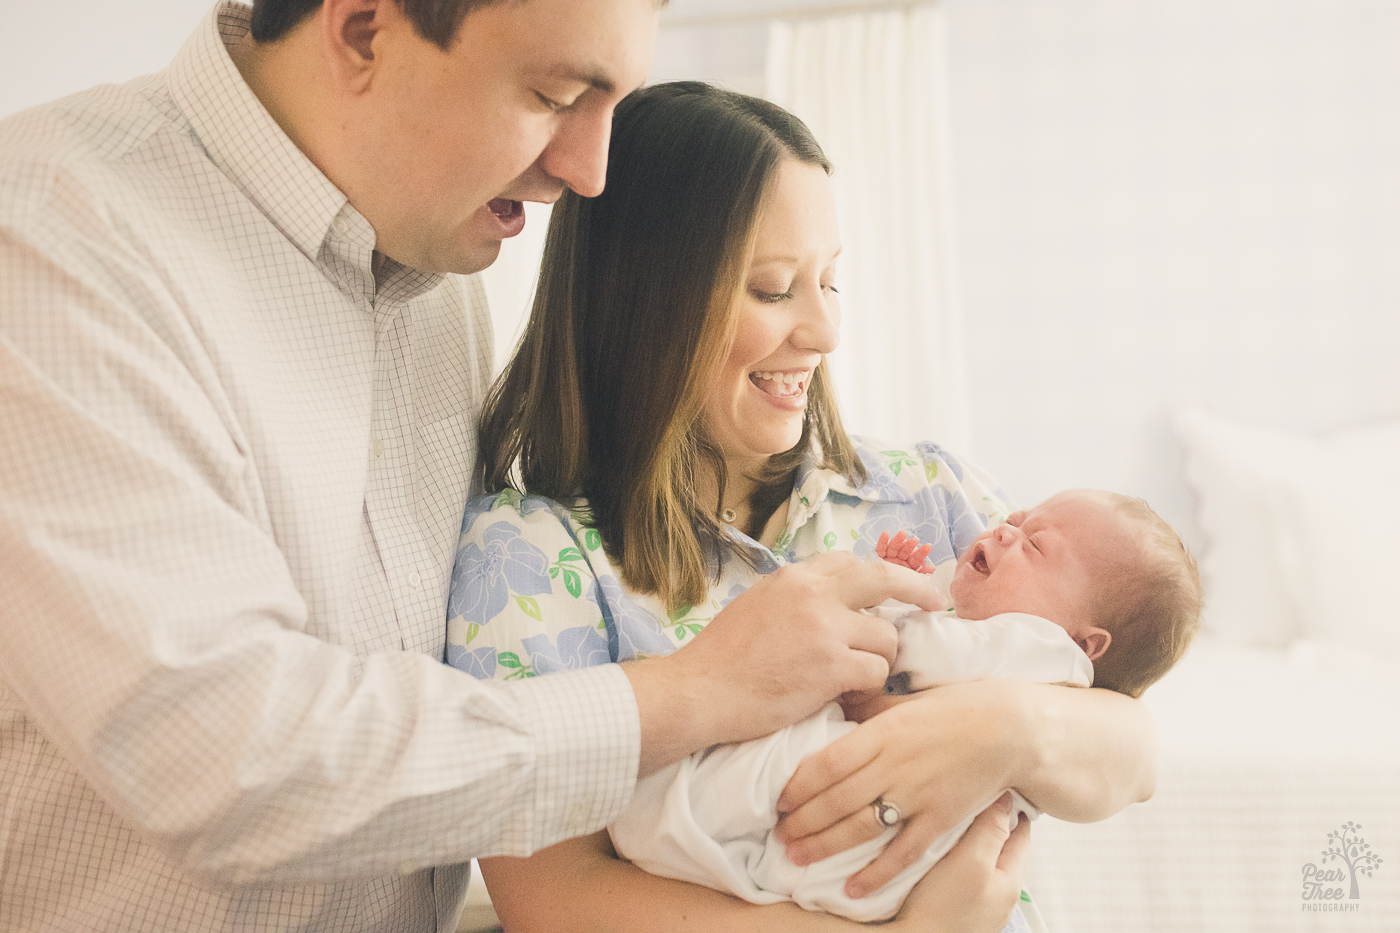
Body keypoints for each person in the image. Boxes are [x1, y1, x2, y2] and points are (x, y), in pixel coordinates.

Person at [0, 3, 951, 930]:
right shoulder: (52, 235)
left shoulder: (436, 282)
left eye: (613, 104)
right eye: (553, 94)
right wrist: (699, 690)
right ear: (366, 29)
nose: (590, 173)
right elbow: (222, 757)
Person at [448, 81, 1161, 932]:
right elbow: (553, 897)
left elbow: (1135, 748)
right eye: (775, 288)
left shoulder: (929, 497)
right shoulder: (524, 559)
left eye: (831, 281)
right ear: (646, 302)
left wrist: (1003, 725)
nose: (824, 332)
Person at [609, 490, 1202, 922]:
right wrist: (903, 586)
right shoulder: (996, 631)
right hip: (896, 875)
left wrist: (885, 614)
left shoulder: (1047, 653)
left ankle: (670, 810)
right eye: (1015, 520)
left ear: (1086, 642)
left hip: (908, 848)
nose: (1002, 532)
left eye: (1036, 546)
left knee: (782, 769)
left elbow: (917, 653)